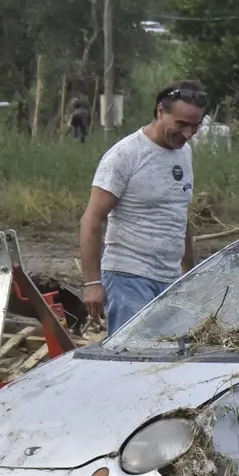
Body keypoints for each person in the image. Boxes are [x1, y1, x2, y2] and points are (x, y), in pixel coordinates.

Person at [79, 80, 207, 333]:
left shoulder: (185, 153)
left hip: (170, 280)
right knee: (133, 363)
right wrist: (92, 283)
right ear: (160, 111)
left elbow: (178, 214)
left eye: (195, 126)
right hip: (130, 278)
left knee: (169, 361)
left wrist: (187, 272)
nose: (188, 134)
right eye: (181, 124)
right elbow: (91, 220)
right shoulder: (125, 155)